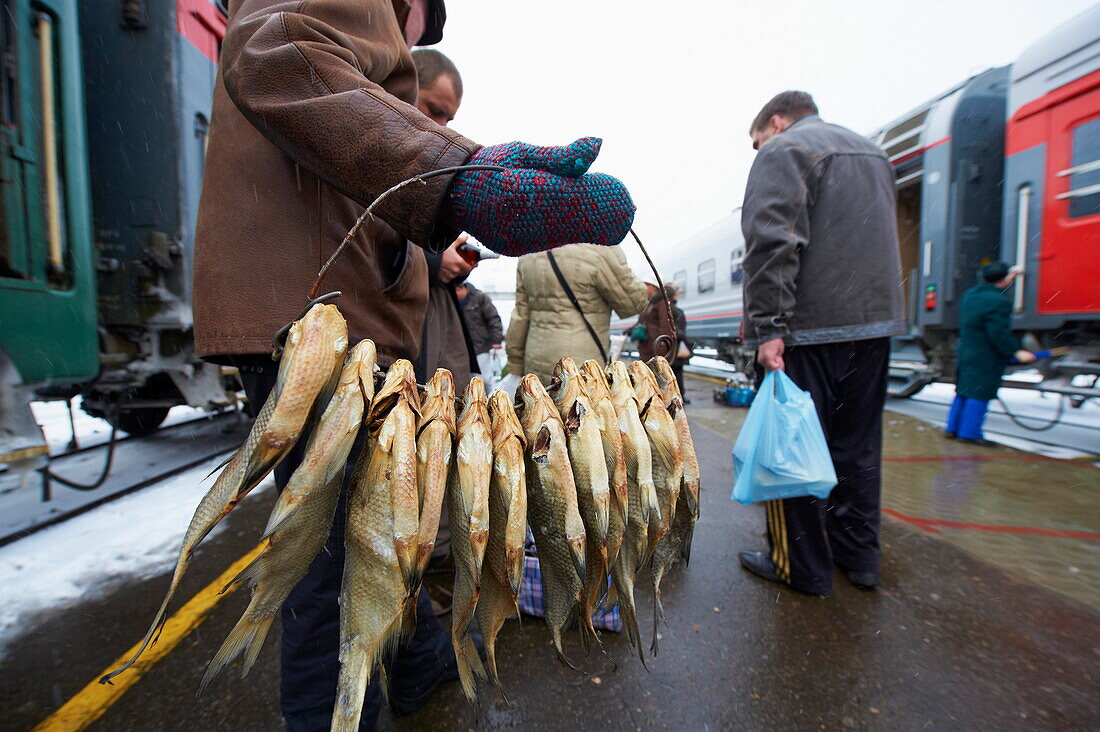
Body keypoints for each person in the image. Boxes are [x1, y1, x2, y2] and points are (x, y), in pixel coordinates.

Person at [191, 1, 636, 728]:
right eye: (415, 24)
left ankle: (424, 658)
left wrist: (428, 236)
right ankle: (333, 714)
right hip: (321, 324)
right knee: (331, 566)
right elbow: (276, 51)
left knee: (384, 524)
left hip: (335, 314)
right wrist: (457, 172)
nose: (410, 39)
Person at [735, 91, 906, 597]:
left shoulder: (785, 150)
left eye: (756, 138)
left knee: (791, 448)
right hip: (873, 326)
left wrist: (769, 328)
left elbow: (772, 243)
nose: (757, 149)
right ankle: (860, 557)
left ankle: (802, 568)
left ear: (777, 120)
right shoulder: (872, 153)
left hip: (807, 330)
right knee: (857, 448)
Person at [412, 48, 479, 391]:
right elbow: (363, 245)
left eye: (447, 120)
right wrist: (434, 261)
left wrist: (455, 259)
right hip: (410, 325)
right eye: (433, 110)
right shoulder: (368, 157)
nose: (440, 127)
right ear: (405, 87)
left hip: (437, 314)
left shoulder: (431, 161)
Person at [506, 244, 648, 385]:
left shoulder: (529, 253)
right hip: (581, 365)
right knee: (579, 406)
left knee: (541, 405)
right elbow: (634, 302)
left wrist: (516, 362)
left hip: (535, 360)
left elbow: (521, 315)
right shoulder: (599, 248)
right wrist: (614, 251)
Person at [946, 262, 1036, 446]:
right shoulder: (999, 302)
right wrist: (1016, 351)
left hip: (967, 350)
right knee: (980, 393)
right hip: (985, 354)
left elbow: (989, 298)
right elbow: (999, 332)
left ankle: (952, 428)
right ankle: (970, 433)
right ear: (1003, 281)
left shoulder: (970, 295)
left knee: (964, 390)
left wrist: (1008, 277)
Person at [635, 283, 690, 402]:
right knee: (661, 373)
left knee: (663, 374)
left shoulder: (661, 303)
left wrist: (662, 346)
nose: (646, 289)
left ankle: (662, 399)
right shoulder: (653, 303)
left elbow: (665, 326)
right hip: (653, 344)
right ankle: (658, 398)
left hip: (657, 345)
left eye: (648, 286)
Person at [456, 281, 504, 391]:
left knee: (484, 379)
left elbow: (493, 319)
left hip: (480, 346)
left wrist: (497, 340)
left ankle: (486, 402)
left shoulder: (480, 298)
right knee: (466, 381)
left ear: (461, 288)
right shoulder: (451, 300)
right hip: (461, 349)